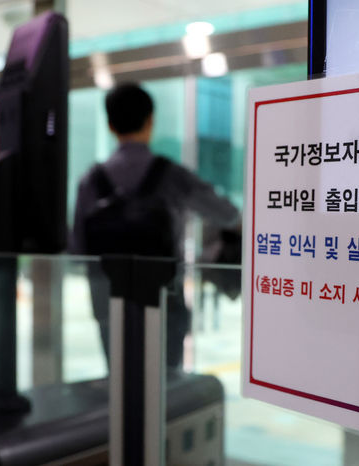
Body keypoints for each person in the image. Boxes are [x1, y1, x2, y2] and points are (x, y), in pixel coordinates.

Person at [71, 82, 240, 367]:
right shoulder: (171, 175)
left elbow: (77, 250)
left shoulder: (90, 182)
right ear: (151, 121)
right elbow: (228, 215)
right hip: (163, 302)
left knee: (120, 380)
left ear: (110, 125)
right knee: (166, 383)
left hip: (109, 305)